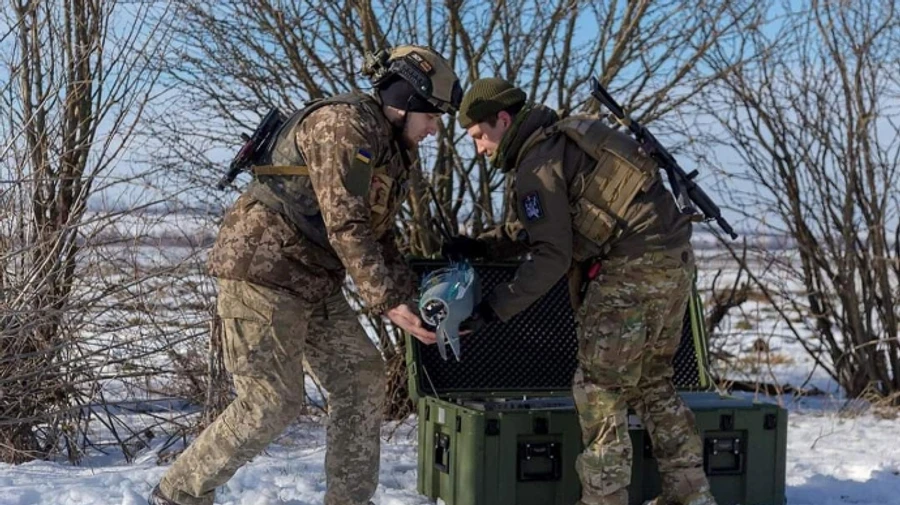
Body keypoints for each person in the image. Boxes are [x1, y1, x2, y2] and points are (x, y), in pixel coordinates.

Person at [149, 46, 462, 505]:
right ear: (405, 101)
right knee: (271, 400)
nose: (434, 127)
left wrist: (408, 299)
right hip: (262, 269)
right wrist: (387, 301)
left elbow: (381, 234)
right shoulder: (344, 126)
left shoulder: (392, 149)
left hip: (313, 281)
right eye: (431, 115)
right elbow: (346, 224)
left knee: (360, 375)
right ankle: (178, 494)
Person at [448, 77, 717, 505]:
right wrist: (485, 244)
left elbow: (552, 255)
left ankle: (604, 500)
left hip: (627, 273)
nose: (480, 148)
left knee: (601, 390)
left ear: (502, 119)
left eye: (480, 136)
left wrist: (493, 309)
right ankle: (691, 493)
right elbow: (553, 224)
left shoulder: (537, 165)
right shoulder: (570, 137)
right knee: (654, 382)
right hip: (675, 261)